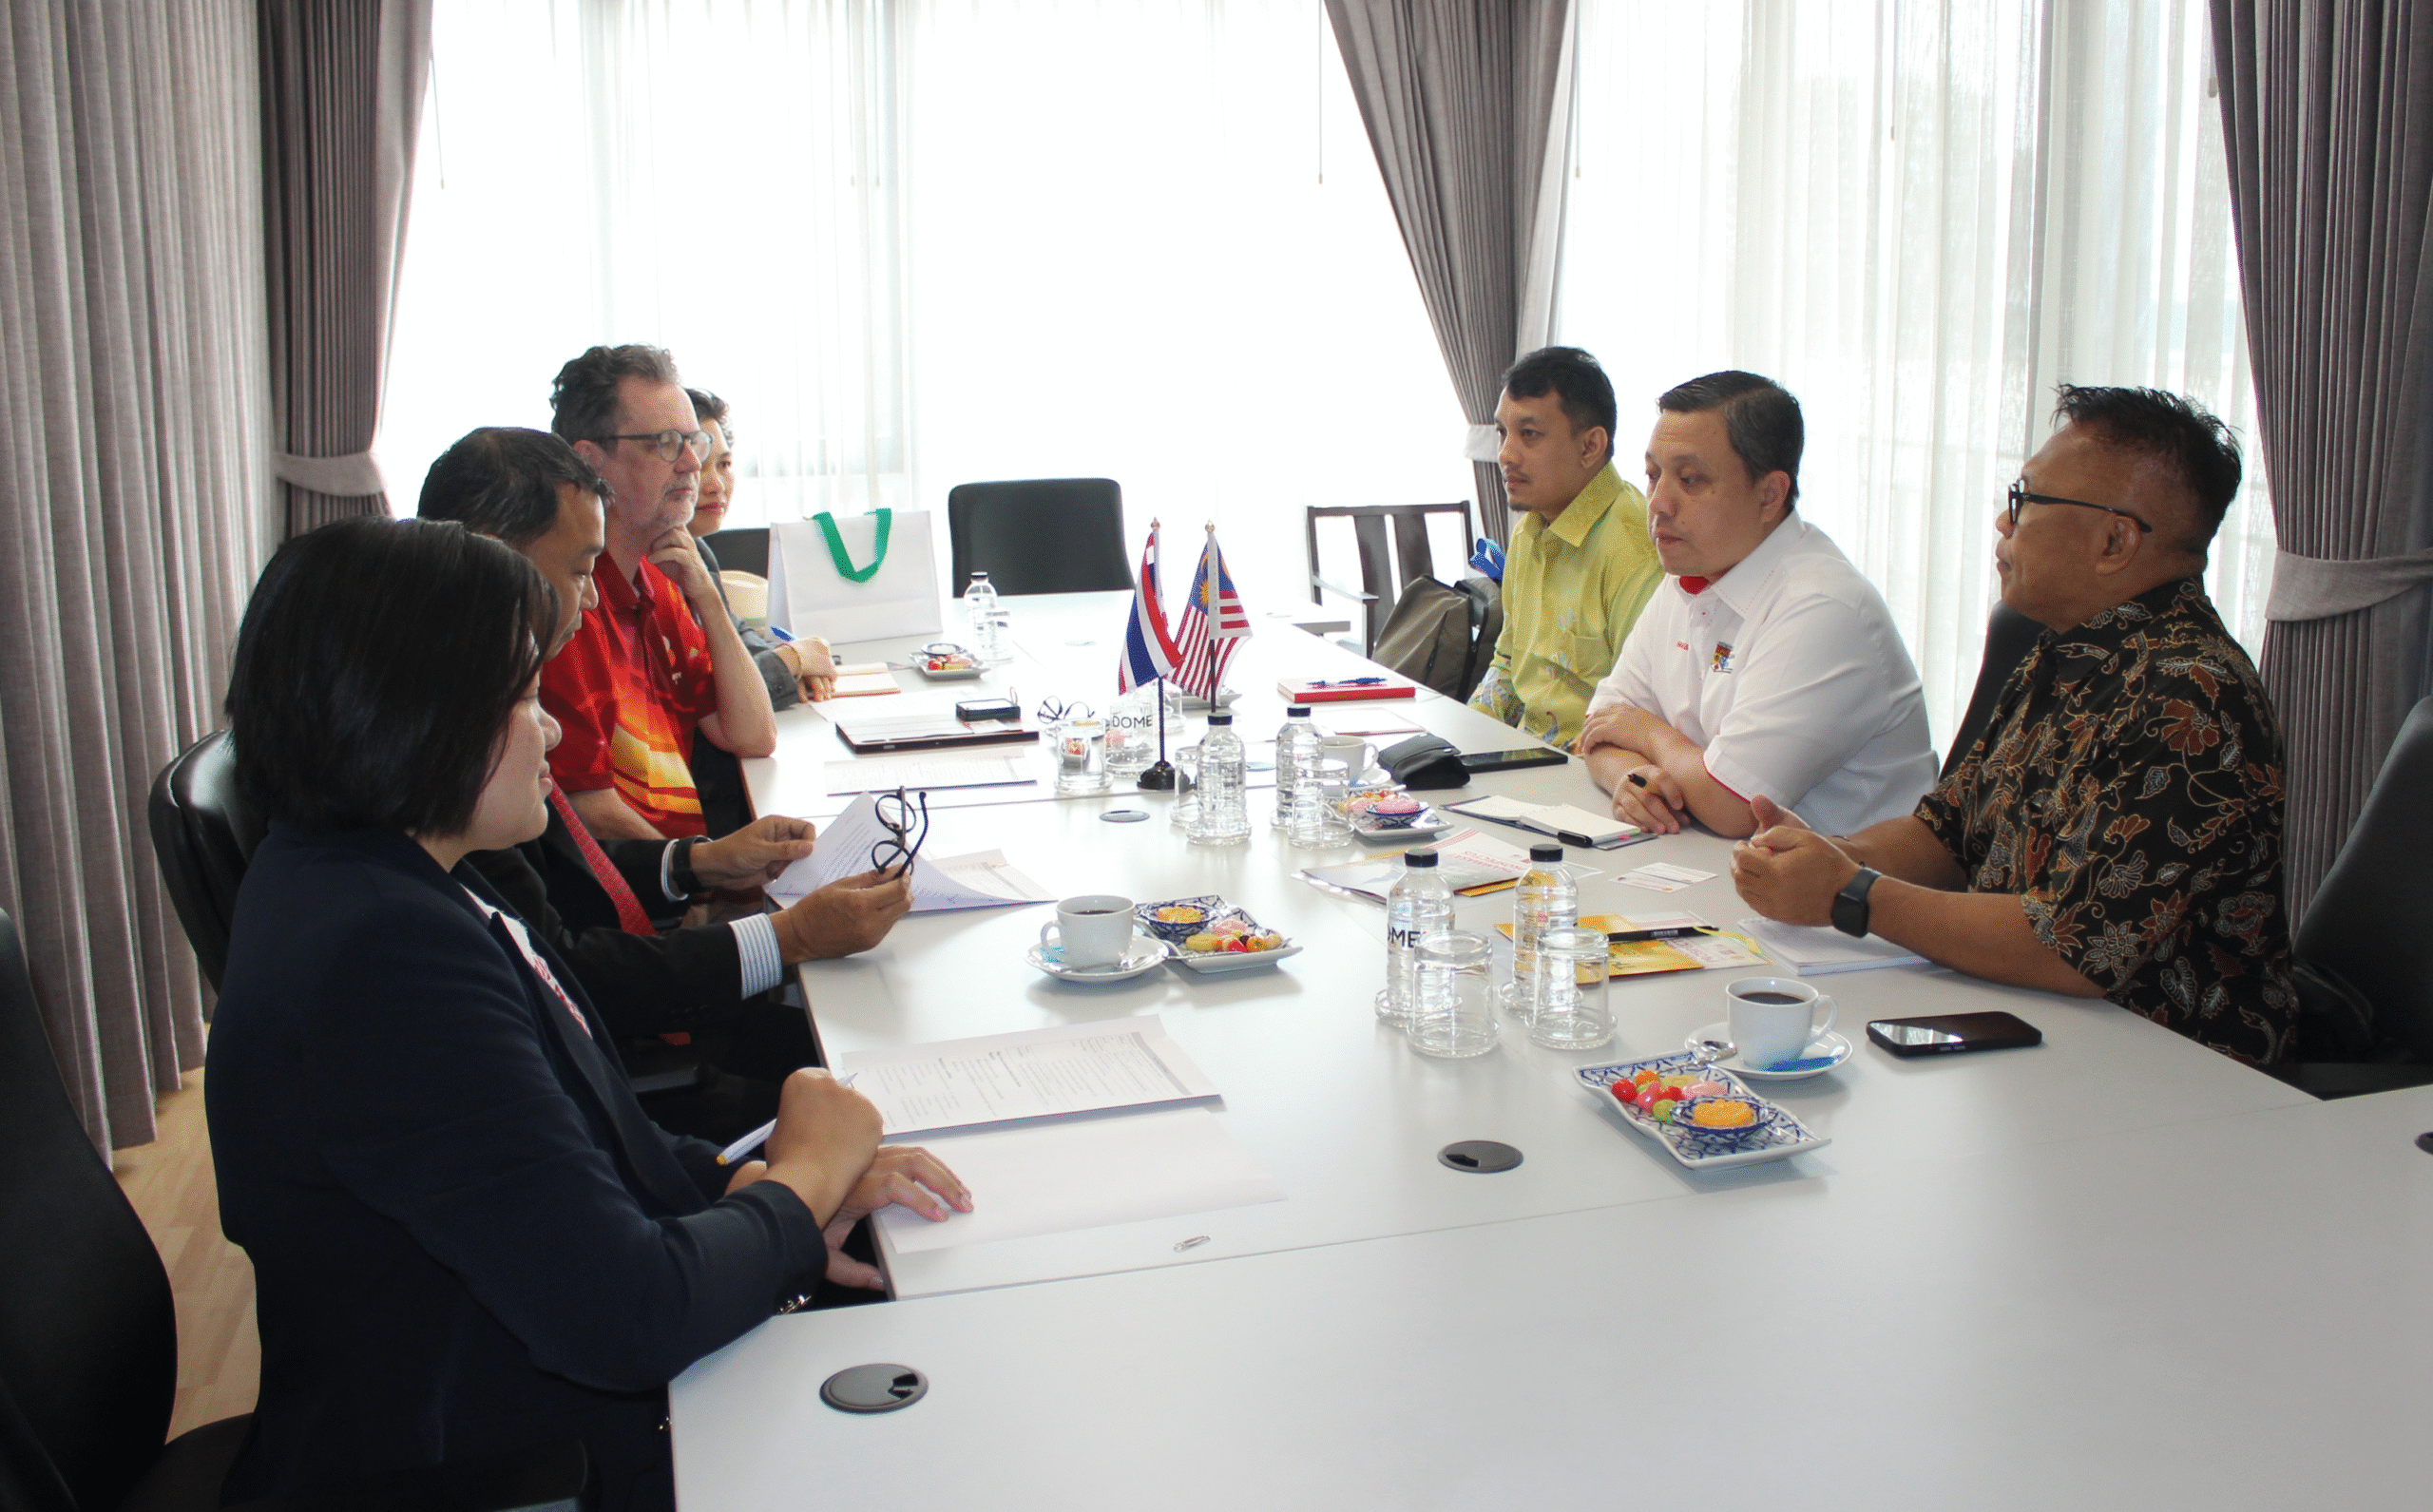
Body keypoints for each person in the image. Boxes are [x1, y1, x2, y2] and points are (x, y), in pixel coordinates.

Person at [207, 516, 968, 1510]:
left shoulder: (383, 877)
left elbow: (573, 1143)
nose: (555, 730)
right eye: (525, 697)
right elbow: (629, 1315)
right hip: (512, 1455)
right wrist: (804, 1180)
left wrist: (755, 1186)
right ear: (418, 715)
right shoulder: (382, 959)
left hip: (513, 1372)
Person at [1731, 386, 2298, 1066]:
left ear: (2114, 540)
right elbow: (1946, 834)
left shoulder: (2192, 696)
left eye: (2026, 500)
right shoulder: (2063, 650)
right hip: (2028, 1021)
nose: (2004, 521)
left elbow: (2069, 945)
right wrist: (1821, 855)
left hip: (2168, 1068)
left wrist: (1850, 893)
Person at [416, 428, 911, 1135]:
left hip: (635, 1010)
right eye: (580, 570)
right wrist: (787, 937)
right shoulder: (456, 753)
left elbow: (571, 870)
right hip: (614, 1074)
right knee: (883, 1085)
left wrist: (701, 862)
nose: (592, 599)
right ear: (498, 559)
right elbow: (569, 967)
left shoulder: (465, 708)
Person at [1578, 371, 1936, 838]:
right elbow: (1599, 727)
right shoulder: (1691, 572)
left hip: (1834, 880)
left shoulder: (1822, 607)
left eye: (1690, 479)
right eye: (1653, 475)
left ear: (1770, 495)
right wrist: (1633, 778)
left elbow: (1733, 806)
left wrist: (1644, 732)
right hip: (1712, 858)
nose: (1659, 503)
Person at [544, 343, 777, 840]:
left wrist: (707, 599)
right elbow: (591, 813)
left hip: (684, 868)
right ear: (590, 461)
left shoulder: (661, 580)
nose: (693, 464)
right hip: (644, 884)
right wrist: (705, 870)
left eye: (695, 442)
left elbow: (753, 735)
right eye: (666, 443)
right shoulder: (570, 606)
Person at [1466, 346, 1665, 748]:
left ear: (1590, 446)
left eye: (1529, 434)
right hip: (1526, 758)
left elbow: (1642, 711)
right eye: (1503, 433)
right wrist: (1460, 742)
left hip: (1592, 768)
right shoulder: (1529, 531)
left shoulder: (1636, 547)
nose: (1505, 454)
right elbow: (1507, 665)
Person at [685, 388, 835, 705]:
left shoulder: (696, 550)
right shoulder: (659, 562)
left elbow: (738, 634)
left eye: (724, 464)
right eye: (697, 469)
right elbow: (707, 700)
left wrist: (791, 659)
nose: (716, 485)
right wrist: (790, 661)